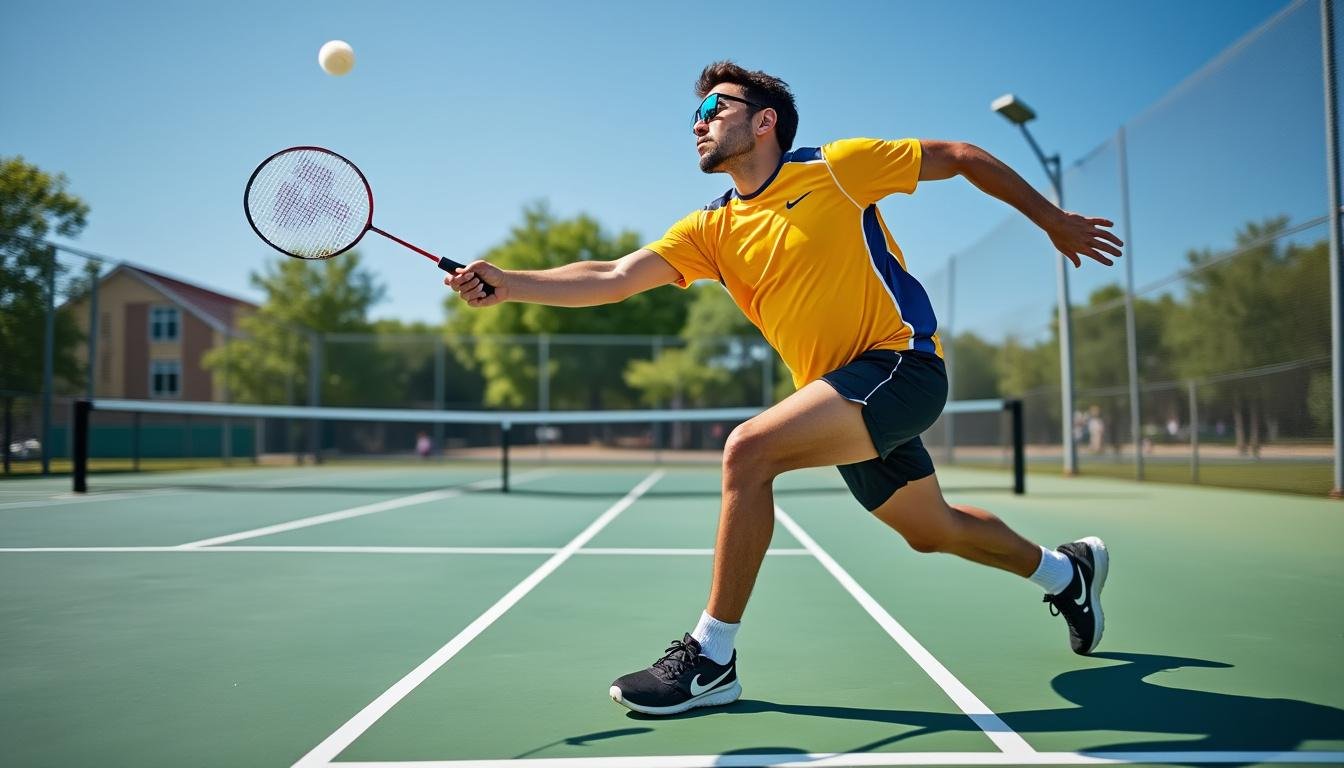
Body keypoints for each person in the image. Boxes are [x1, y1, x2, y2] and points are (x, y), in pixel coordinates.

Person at [447, 61, 1123, 717]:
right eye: (696, 113)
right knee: (931, 530)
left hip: (900, 366)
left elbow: (960, 154)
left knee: (749, 451)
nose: (699, 123)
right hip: (840, 395)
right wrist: (511, 283)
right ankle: (1067, 573)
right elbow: (614, 275)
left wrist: (1051, 219)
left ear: (764, 120)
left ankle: (712, 660)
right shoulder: (712, 229)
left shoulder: (836, 167)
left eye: (715, 109)